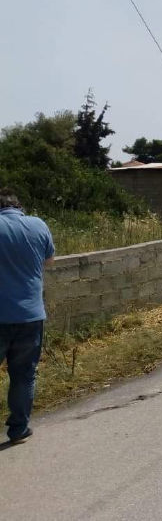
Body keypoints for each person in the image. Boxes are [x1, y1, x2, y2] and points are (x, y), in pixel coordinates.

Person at [0, 188, 55, 444]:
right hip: (30, 315)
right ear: (19, 207)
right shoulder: (38, 225)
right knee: (23, 374)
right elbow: (49, 260)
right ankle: (19, 428)